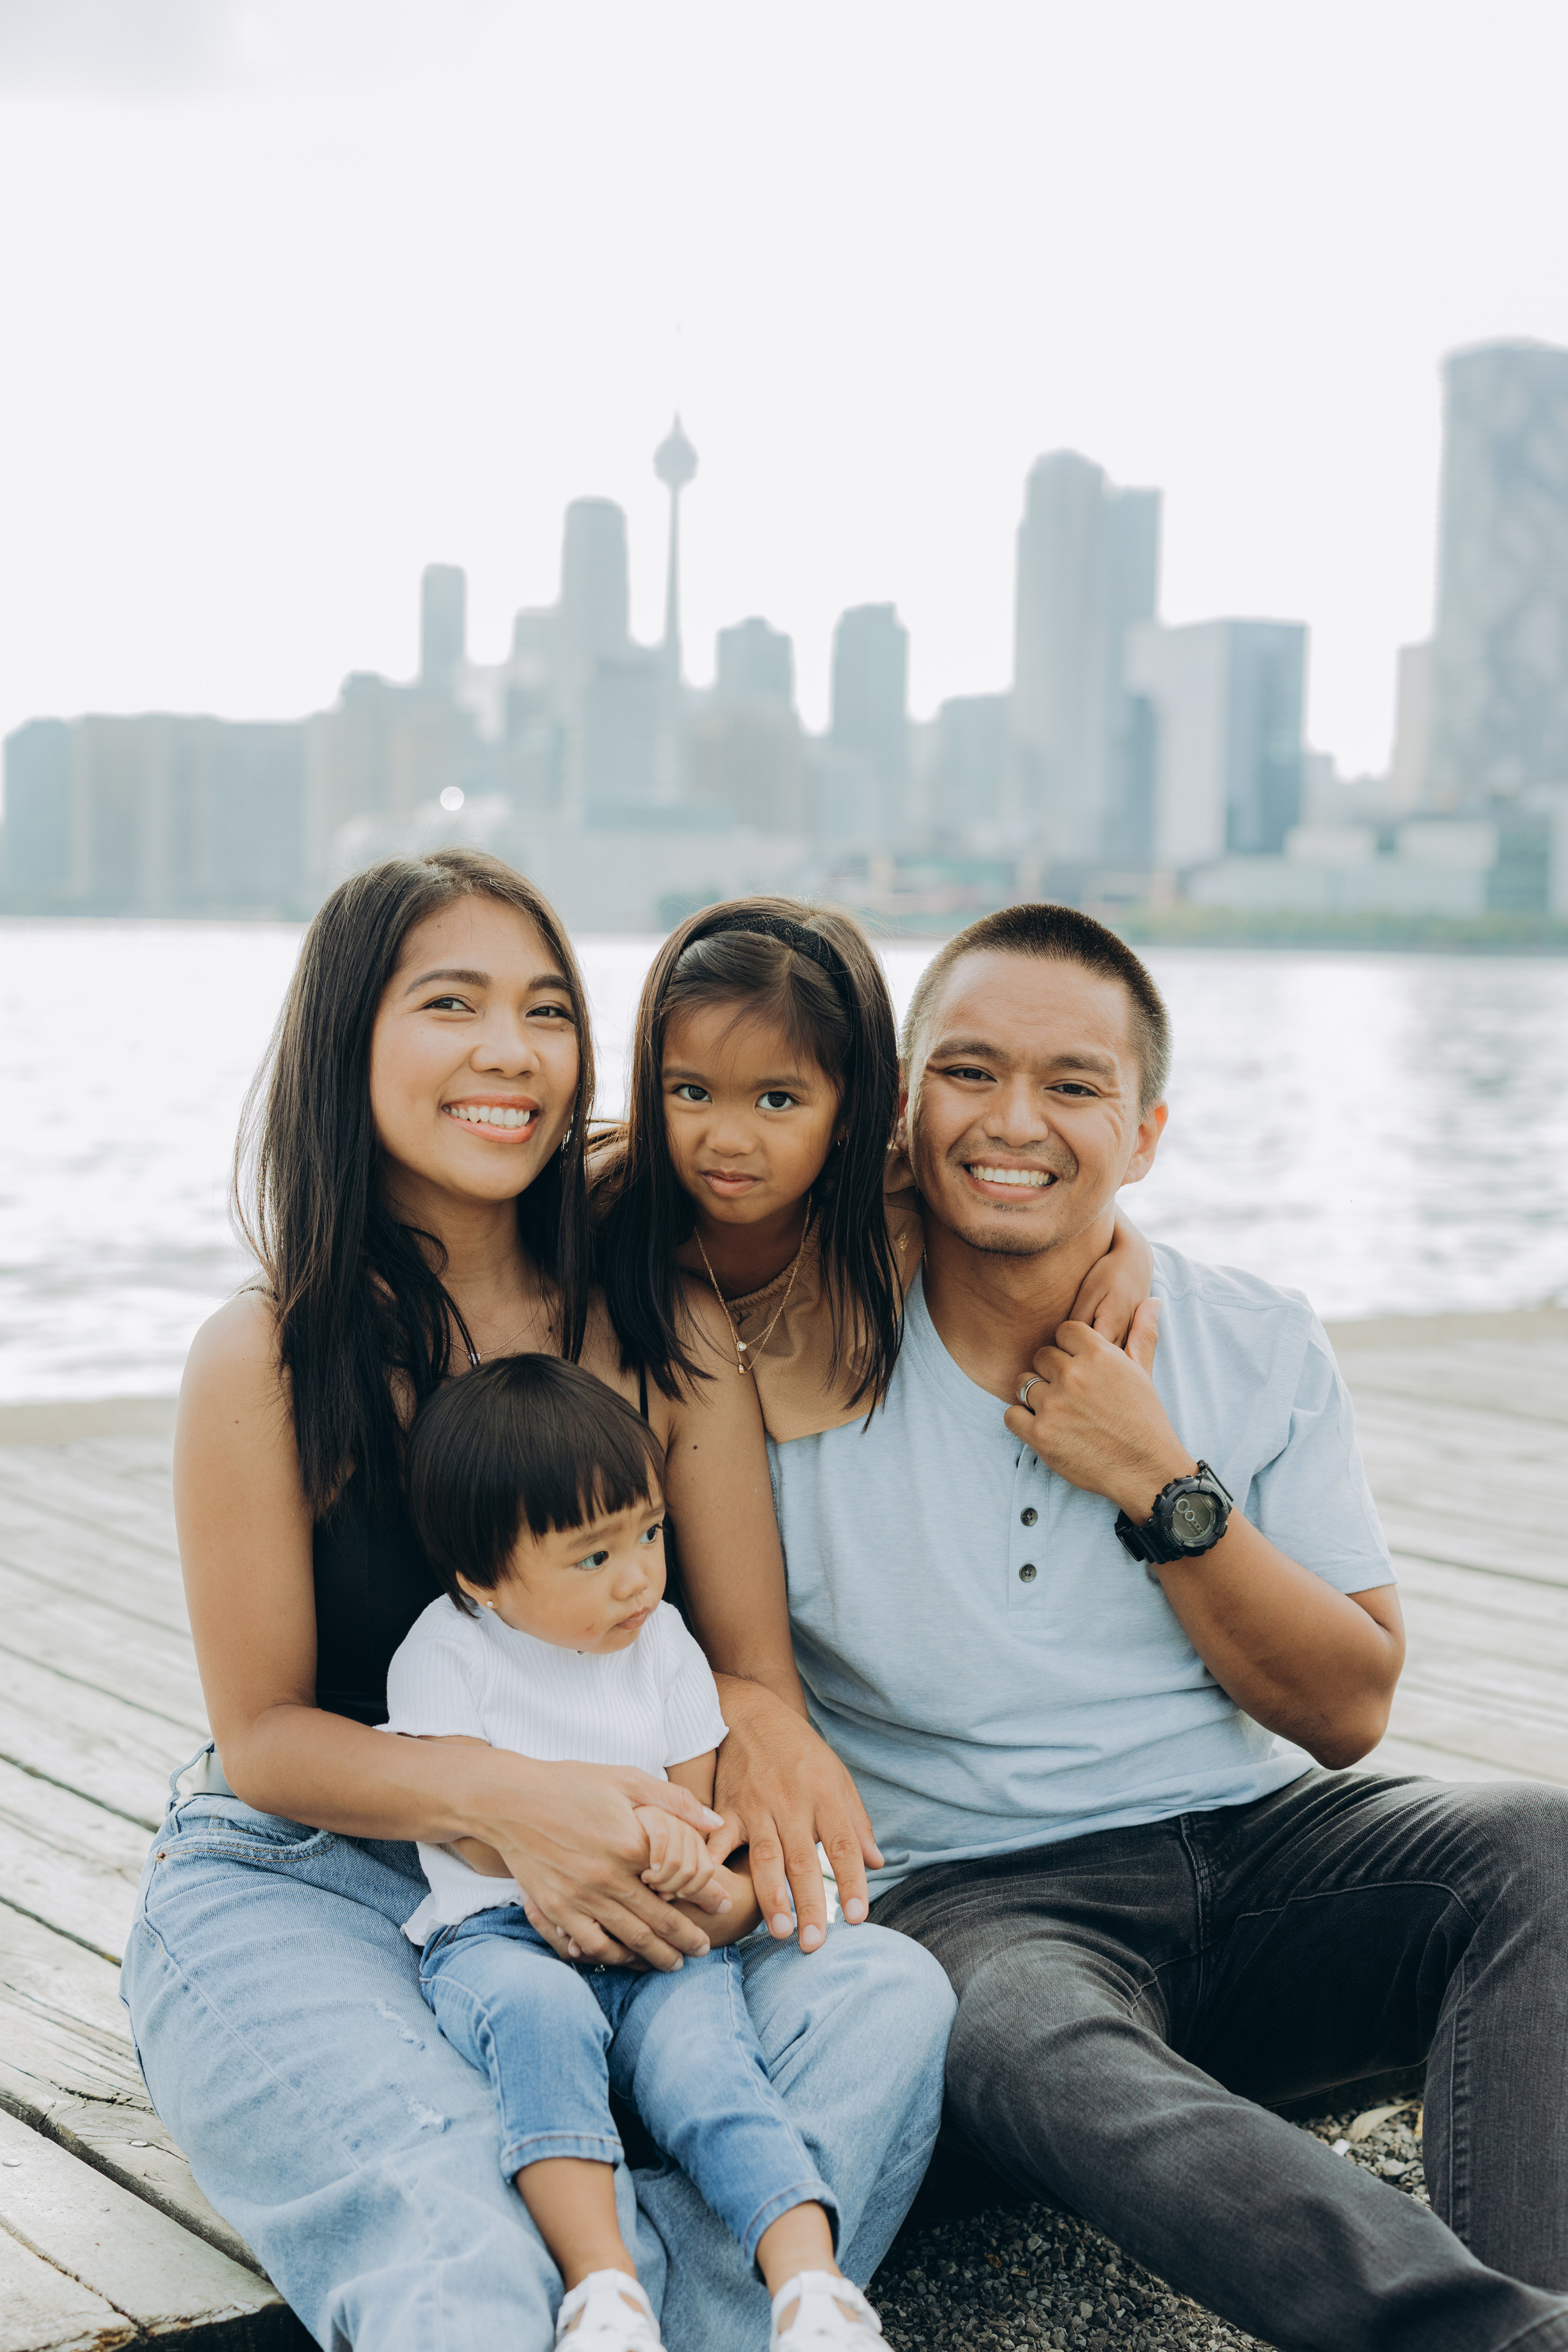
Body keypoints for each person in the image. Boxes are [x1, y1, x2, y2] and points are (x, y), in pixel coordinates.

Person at [693, 900, 1568, 2352]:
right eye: (967, 1073)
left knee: (1540, 1850)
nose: (1012, 1121)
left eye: (1072, 1085)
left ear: (1144, 1134)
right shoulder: (783, 1358)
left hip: (1259, 1852)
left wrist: (1158, 1482)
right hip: (979, 1903)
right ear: (899, 1115)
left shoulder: (1251, 1334)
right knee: (992, 2020)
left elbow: (1348, 1712)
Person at [119, 848, 954, 2352]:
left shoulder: (656, 1306)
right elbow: (264, 1737)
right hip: (313, 1872)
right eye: (452, 1003)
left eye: (547, 1010)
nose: (511, 1050)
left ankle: (638, 2308)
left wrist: (715, 1832)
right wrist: (519, 1805)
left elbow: (748, 1672)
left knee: (888, 1996)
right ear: (347, 1040)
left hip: (630, 1866)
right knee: (456, 2230)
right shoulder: (264, 1354)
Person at [592, 899, 1153, 1954]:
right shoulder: (601, 1222)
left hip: (757, 1620)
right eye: (689, 1093)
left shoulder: (888, 1202)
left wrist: (1129, 1249)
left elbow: (1050, 1192)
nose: (727, 1136)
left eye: (778, 1098)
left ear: (861, 1114)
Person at [388, 1352, 883, 2352]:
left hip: (658, 1934)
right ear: (482, 1576)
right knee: (538, 2017)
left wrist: (695, 1869)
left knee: (711, 2059)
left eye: (650, 1534)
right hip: (501, 1934)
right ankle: (602, 2285)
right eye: (593, 1557)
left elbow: (694, 1808)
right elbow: (468, 1834)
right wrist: (618, 1846)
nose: (641, 1576)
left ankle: (812, 2290)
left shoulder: (664, 1646)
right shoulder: (448, 1652)